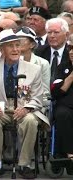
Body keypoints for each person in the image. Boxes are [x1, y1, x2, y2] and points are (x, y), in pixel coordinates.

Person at [0, 29, 49, 179]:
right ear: (2, 49)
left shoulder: (34, 69)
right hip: (2, 109)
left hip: (25, 109)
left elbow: (38, 97)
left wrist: (26, 108)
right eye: (11, 46)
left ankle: (24, 164)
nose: (15, 49)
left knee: (31, 121)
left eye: (17, 45)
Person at [51, 34, 73, 176]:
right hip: (65, 105)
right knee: (62, 114)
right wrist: (71, 75)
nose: (71, 52)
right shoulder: (62, 67)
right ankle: (70, 155)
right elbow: (57, 92)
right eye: (70, 49)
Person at [16, 26, 51, 104]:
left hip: (36, 103)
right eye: (16, 39)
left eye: (22, 40)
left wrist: (42, 105)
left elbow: (46, 91)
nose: (18, 42)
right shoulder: (11, 61)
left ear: (32, 44)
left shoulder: (43, 63)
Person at [35, 18, 70, 83]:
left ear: (66, 35)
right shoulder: (39, 52)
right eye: (49, 32)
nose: (52, 36)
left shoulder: (70, 53)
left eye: (56, 32)